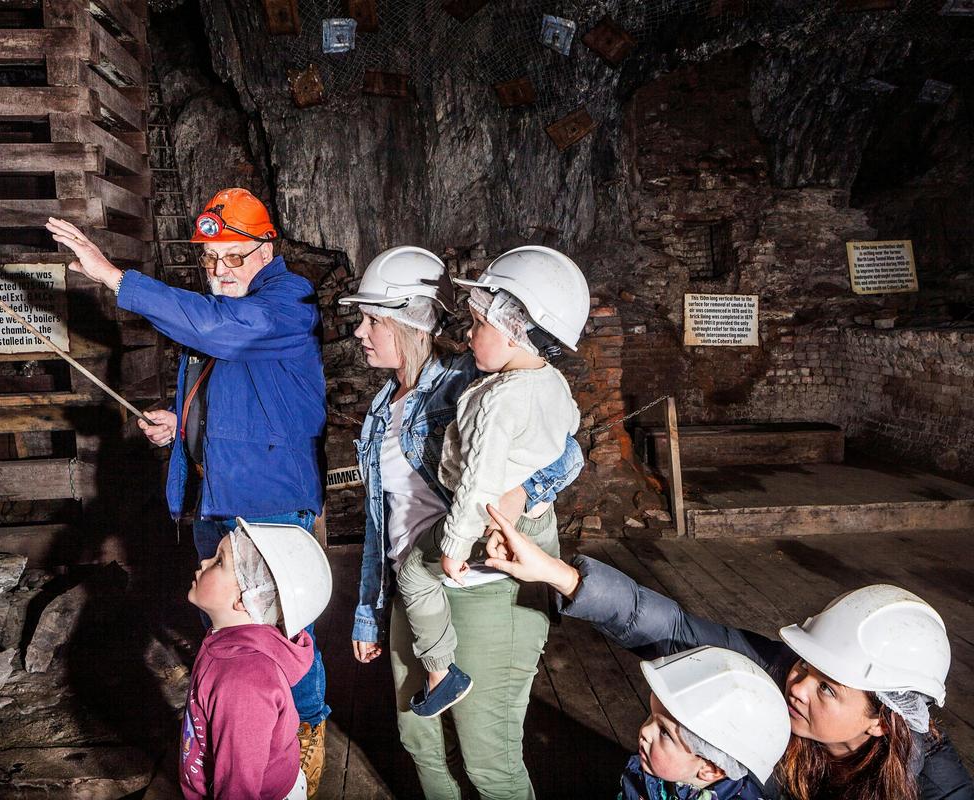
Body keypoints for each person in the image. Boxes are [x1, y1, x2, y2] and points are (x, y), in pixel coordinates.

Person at [46, 189, 331, 793]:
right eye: (210, 258)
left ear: (266, 249)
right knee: (227, 622)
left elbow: (225, 334)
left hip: (268, 500)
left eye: (234, 257)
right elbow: (239, 388)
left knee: (281, 627)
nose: (220, 270)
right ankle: (232, 720)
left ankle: (305, 724)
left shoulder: (289, 301)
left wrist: (114, 277)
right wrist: (180, 424)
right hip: (217, 494)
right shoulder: (228, 307)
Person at [481, 505, 974, 800]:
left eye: (827, 688)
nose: (797, 685)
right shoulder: (776, 675)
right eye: (806, 665)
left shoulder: (935, 782)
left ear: (881, 719)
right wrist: (559, 575)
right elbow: (674, 631)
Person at [338, 245, 586, 798]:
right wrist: (368, 610)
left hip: (482, 590)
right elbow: (383, 519)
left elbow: (568, 451)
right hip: (414, 586)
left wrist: (522, 493)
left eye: (372, 319)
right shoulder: (380, 409)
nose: (359, 332)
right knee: (418, 738)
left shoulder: (469, 380)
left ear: (408, 322)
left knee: (488, 762)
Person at [395, 246, 587, 717]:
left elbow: (478, 482)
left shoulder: (499, 400)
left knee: (414, 573)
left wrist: (456, 545)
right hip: (530, 516)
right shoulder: (552, 381)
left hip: (487, 517)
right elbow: (570, 428)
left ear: (513, 331)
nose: (469, 333)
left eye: (480, 324)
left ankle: (441, 672)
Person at [180, 519, 333, 800]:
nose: (204, 562)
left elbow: (239, 788)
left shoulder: (242, 684)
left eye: (219, 562)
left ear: (245, 598)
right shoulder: (226, 639)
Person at [624, 646, 790, 800]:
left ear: (710, 769)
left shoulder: (658, 763)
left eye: (664, 732)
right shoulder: (652, 764)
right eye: (651, 715)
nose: (645, 731)